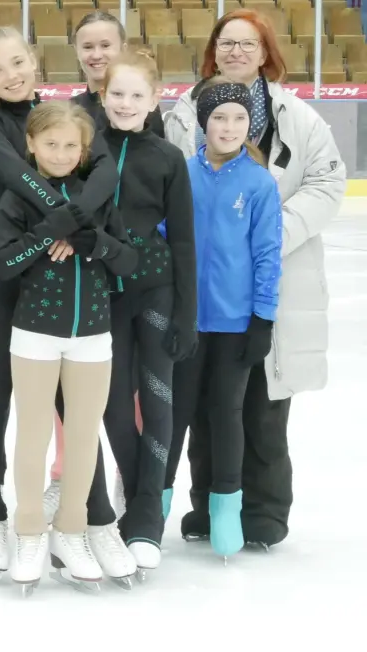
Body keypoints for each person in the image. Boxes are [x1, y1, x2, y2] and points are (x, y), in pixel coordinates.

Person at [162, 10, 343, 548]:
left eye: (249, 43)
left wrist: (265, 233)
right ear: (213, 51)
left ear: (266, 53)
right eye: (227, 42)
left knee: (261, 408)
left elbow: (326, 184)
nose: (237, 51)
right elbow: (171, 187)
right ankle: (205, 507)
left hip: (268, 286)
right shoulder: (185, 113)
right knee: (201, 408)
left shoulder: (300, 118)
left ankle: (262, 514)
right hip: (204, 291)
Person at [0, 28, 119, 577]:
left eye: (18, 62)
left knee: (73, 407)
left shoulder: (69, 114)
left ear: (34, 60)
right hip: (2, 272)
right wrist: (62, 213)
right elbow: (17, 176)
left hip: (62, 268)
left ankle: (89, 519)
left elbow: (105, 170)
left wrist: (73, 221)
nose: (11, 75)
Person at [0, 101, 137, 592]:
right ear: (30, 145)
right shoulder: (17, 196)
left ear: (85, 150)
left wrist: (92, 241)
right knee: (32, 437)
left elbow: (130, 260)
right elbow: (2, 263)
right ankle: (28, 531)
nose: (61, 153)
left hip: (93, 336)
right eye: (51, 144)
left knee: (84, 437)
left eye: (72, 146)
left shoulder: (99, 199)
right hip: (34, 336)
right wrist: (49, 229)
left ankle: (72, 530)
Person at [164, 79, 282, 561]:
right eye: (219, 118)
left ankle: (226, 509)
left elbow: (268, 255)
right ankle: (154, 504)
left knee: (226, 415)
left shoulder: (257, 183)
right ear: (203, 123)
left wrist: (263, 318)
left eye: (238, 118)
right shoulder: (182, 175)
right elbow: (164, 237)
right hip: (187, 321)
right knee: (175, 417)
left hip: (235, 326)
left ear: (249, 125)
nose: (229, 127)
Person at [94, 51, 196, 577]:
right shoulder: (89, 150)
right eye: (117, 94)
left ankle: (145, 520)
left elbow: (183, 239)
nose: (126, 103)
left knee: (158, 402)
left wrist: (186, 312)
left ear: (155, 100)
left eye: (137, 95)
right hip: (102, 294)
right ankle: (138, 500)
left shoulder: (167, 158)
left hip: (156, 292)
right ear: (102, 95)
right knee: (112, 405)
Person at [73, 11, 165, 137]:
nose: (97, 55)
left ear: (123, 48)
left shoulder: (143, 109)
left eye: (105, 45)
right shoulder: (70, 111)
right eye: (88, 47)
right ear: (76, 50)